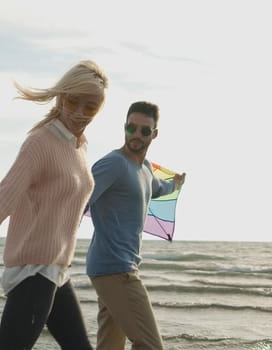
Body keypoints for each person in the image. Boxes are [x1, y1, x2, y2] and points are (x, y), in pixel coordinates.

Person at [0, 60, 108, 350]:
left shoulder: (78, 146)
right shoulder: (40, 143)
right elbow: (6, 195)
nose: (80, 113)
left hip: (56, 272)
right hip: (33, 273)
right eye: (74, 101)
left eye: (90, 107)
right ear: (60, 97)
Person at [86, 101, 185, 350]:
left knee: (110, 345)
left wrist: (176, 185)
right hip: (116, 269)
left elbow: (158, 189)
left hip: (115, 268)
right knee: (151, 345)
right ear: (124, 128)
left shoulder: (145, 169)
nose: (136, 135)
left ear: (154, 134)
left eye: (144, 130)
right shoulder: (113, 164)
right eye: (132, 128)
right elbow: (80, 199)